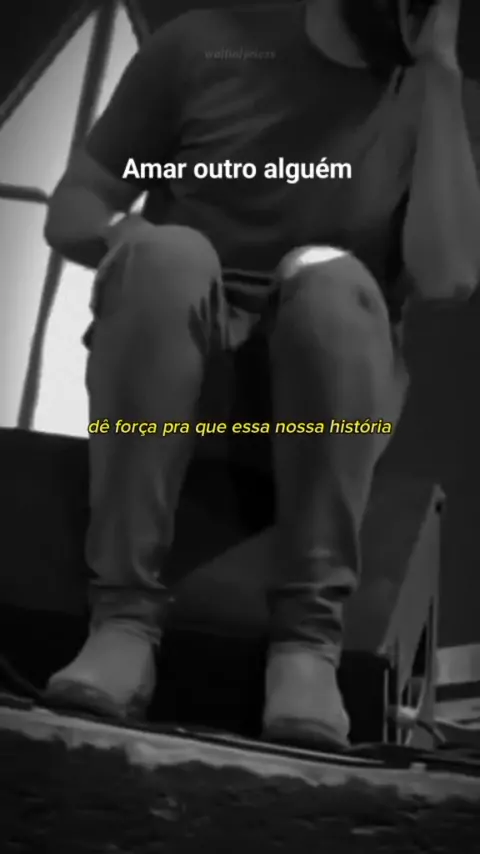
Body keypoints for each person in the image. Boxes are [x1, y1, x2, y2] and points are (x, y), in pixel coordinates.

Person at [43, 0, 480, 750]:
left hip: (330, 381)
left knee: (330, 278)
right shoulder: (203, 50)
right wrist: (124, 239)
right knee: (168, 254)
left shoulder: (432, 100)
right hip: (177, 362)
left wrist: (440, 72)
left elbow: (449, 276)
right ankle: (122, 622)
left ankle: (306, 648)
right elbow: (75, 203)